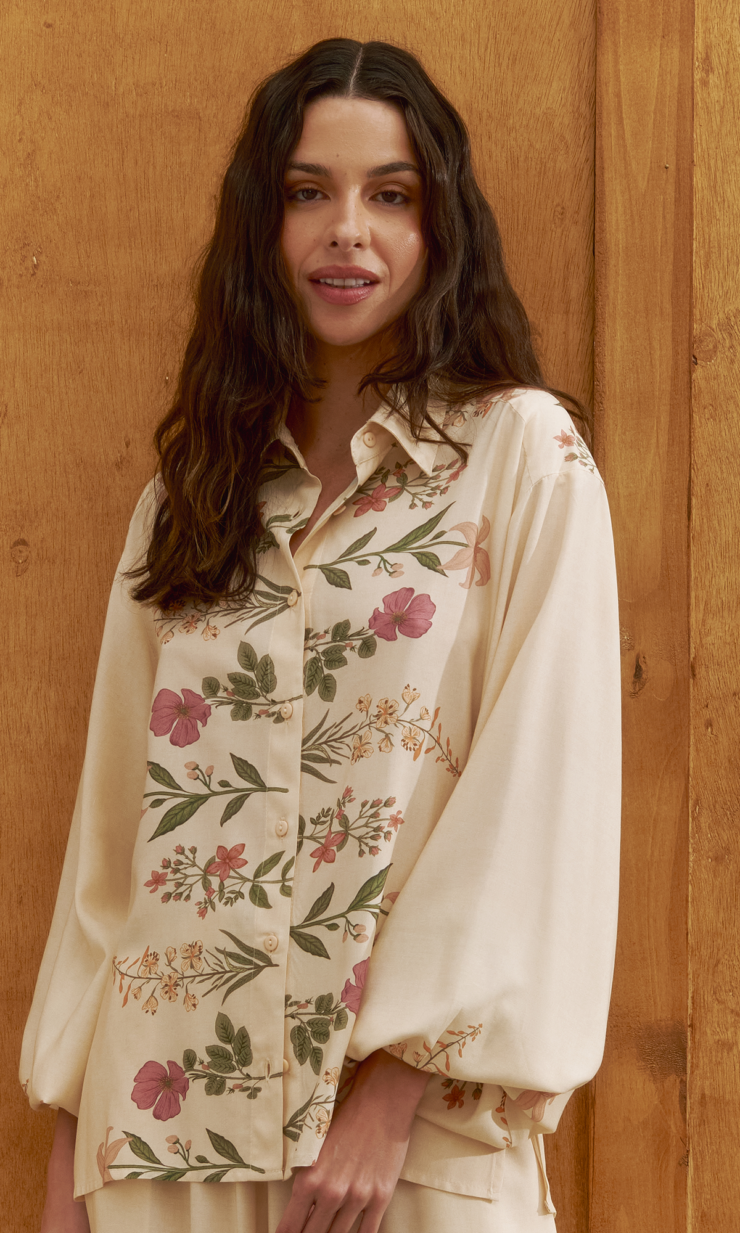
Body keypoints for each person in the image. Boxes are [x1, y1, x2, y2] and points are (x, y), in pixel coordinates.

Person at [22, 37, 621, 1233]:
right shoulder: (191, 500)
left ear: (439, 227)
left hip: (405, 1147)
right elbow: (114, 849)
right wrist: (70, 1148)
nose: (347, 231)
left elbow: (538, 792)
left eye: (389, 195)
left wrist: (391, 1094)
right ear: (264, 223)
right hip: (163, 1140)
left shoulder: (519, 458)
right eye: (309, 192)